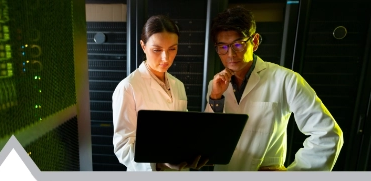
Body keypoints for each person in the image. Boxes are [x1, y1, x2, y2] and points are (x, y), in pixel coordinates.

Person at [205, 6, 344, 171]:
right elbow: (210, 138)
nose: (230, 55)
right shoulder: (216, 84)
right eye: (223, 47)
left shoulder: (286, 79)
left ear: (255, 41)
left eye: (238, 44)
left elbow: (328, 135)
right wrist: (215, 98)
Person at [112, 15, 208, 171]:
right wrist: (159, 163)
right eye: (157, 50)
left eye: (172, 49)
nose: (166, 57)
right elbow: (123, 148)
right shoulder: (128, 88)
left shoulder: (179, 86)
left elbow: (183, 131)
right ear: (143, 46)